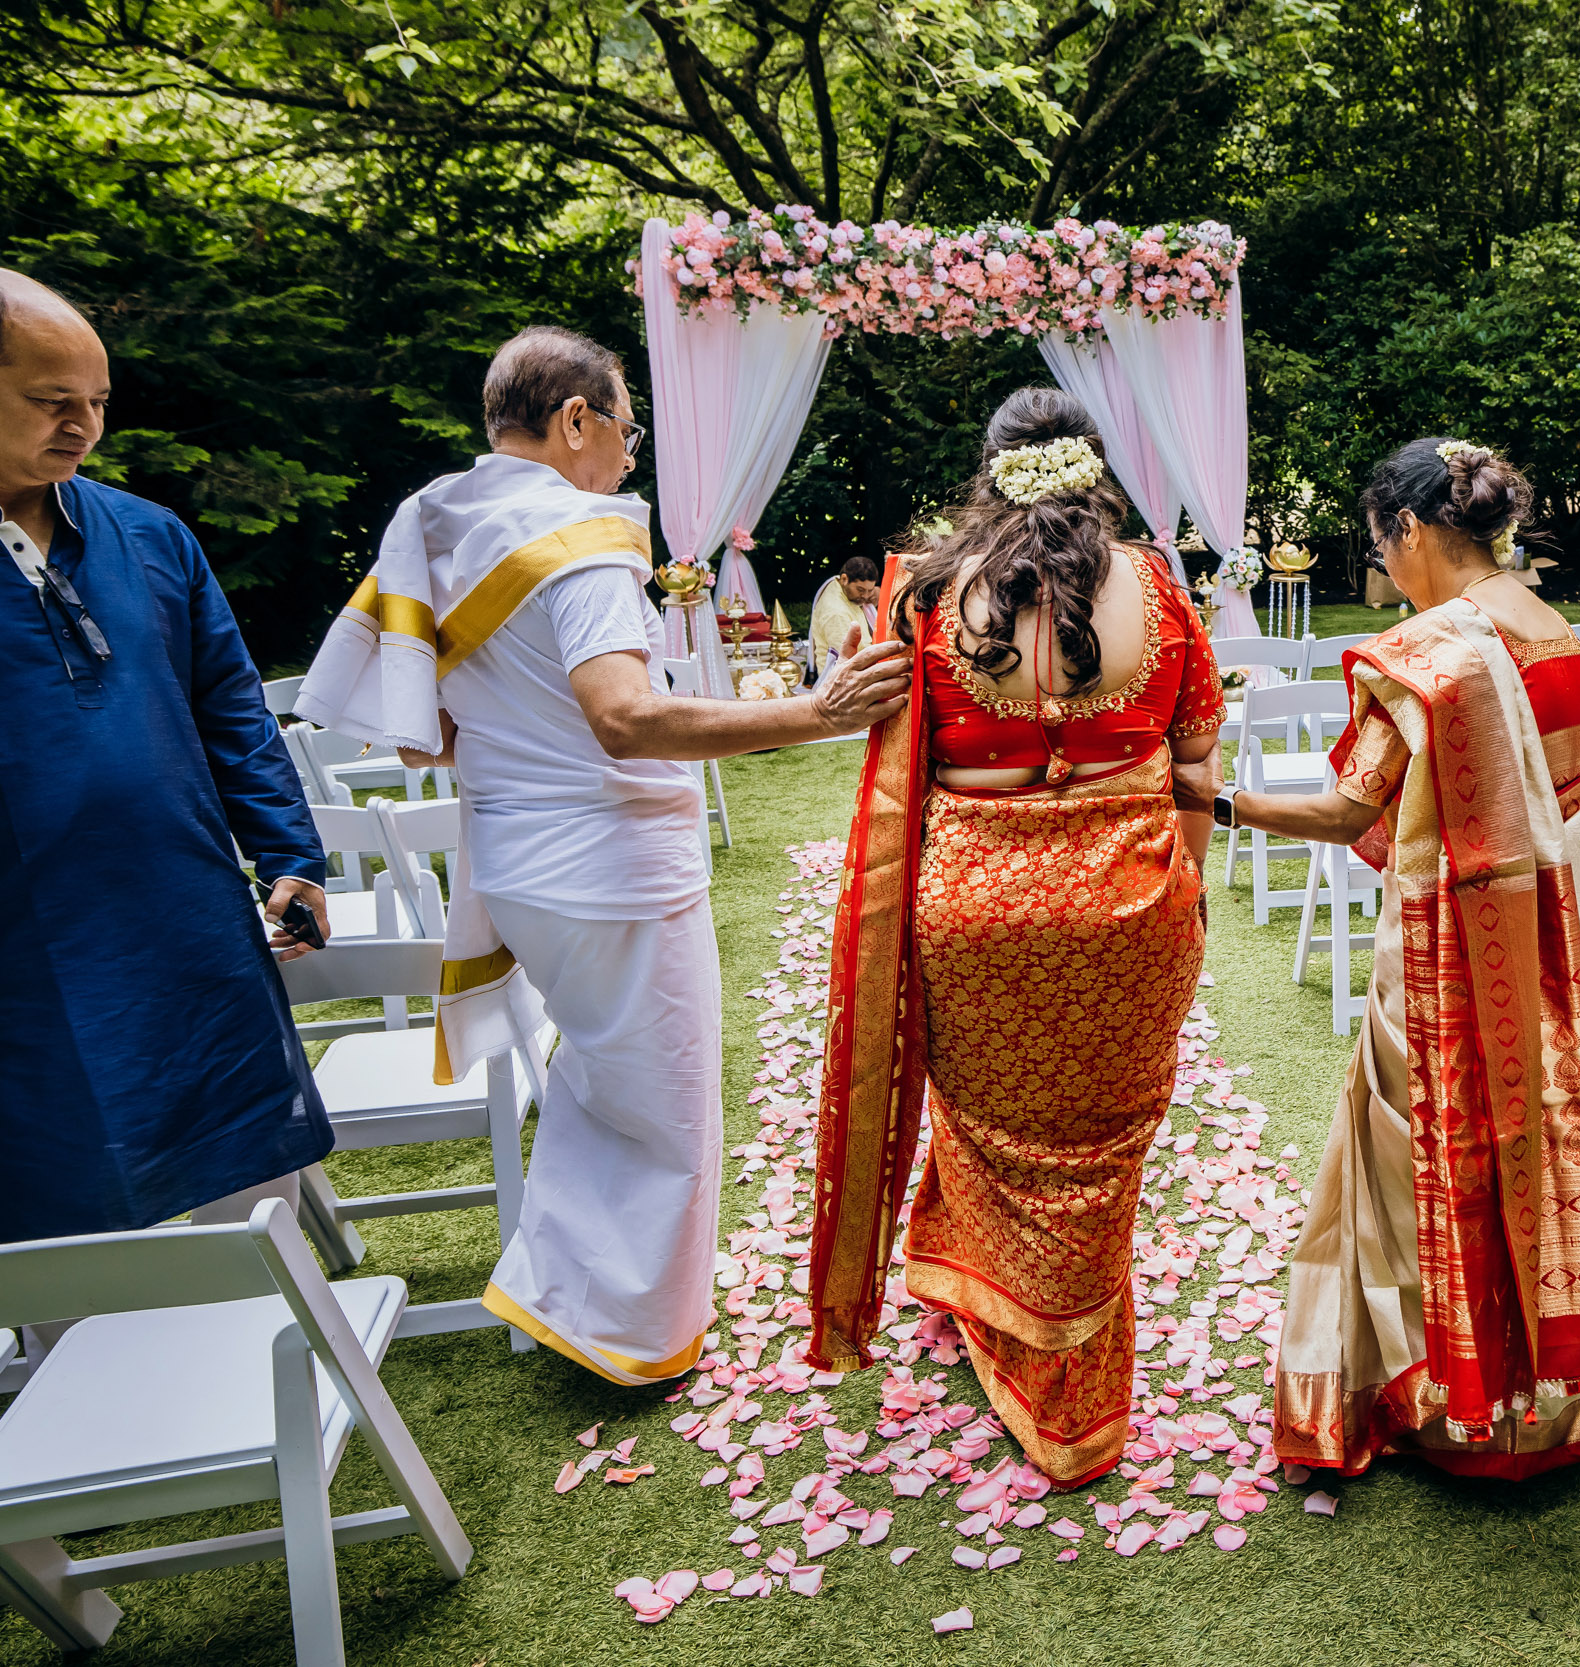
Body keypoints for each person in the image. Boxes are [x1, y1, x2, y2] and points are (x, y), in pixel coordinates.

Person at [297, 325, 909, 1384]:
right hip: (612, 865)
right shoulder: (575, 530)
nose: (632, 453)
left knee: (589, 1083)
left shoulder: (444, 522)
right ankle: (633, 1336)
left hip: (512, 859)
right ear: (575, 419)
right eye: (626, 426)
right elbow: (621, 716)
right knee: (665, 1102)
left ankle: (563, 1288)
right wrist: (815, 712)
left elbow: (418, 730)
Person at [806, 387, 1225, 1487]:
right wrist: (1185, 890)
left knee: (985, 1124)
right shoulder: (1164, 595)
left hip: (971, 916)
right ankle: (1074, 1389)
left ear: (990, 470)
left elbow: (890, 754)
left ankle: (996, 1308)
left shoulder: (928, 594)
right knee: (1099, 1144)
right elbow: (1193, 775)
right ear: (1095, 468)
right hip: (1129, 914)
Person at [1221, 438, 1580, 1479]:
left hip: (1449, 958)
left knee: (1420, 1170)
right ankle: (1534, 1408)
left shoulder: (1432, 655)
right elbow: (1570, 801)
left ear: (1408, 531)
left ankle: (1440, 1400)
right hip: (1552, 950)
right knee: (1518, 1161)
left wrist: (1215, 799)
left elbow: (1347, 808)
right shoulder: (1556, 631)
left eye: (1378, 544)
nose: (1381, 569)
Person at [0, 270, 337, 1244]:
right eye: (52, 402)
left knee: (245, 1141)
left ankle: (248, 1344)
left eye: (98, 401)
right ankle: (86, 1379)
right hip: (30, 948)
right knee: (51, 1200)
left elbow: (232, 708)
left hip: (188, 914)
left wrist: (289, 851)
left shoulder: (151, 536)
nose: (84, 427)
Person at [808, 553, 881, 678]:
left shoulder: (841, 586)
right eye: (860, 590)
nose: (866, 596)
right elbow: (847, 659)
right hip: (838, 678)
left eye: (870, 590)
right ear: (844, 579)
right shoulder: (835, 612)